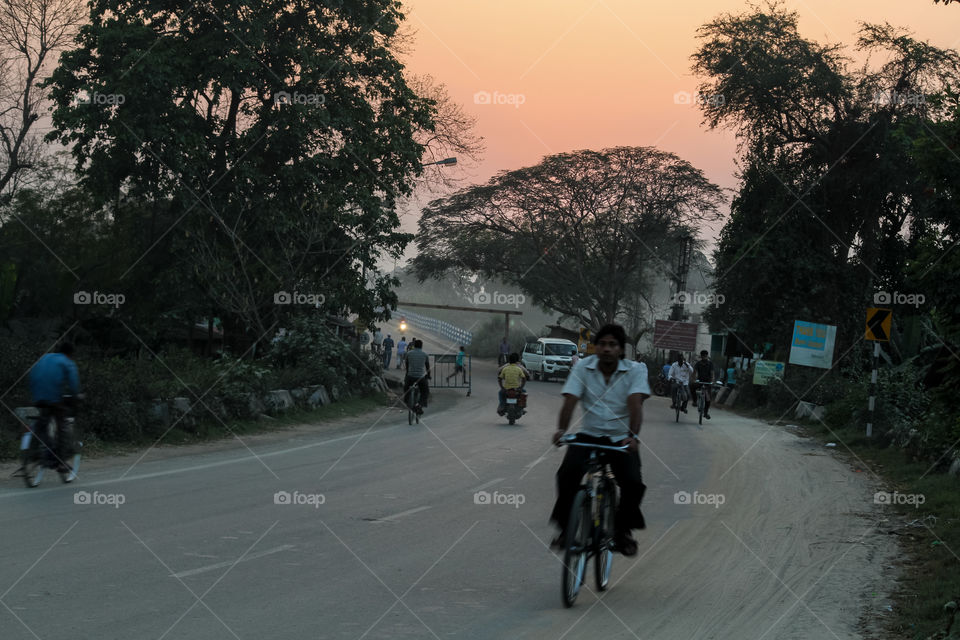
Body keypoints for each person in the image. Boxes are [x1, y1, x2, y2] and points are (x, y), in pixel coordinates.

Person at [550, 324, 649, 556]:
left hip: (620, 438)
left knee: (633, 483)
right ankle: (567, 530)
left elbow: (636, 404)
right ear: (596, 347)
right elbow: (570, 400)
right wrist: (561, 430)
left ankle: (621, 532)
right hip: (589, 436)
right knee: (566, 475)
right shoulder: (583, 368)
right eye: (602, 344)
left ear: (621, 350)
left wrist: (633, 436)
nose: (606, 349)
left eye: (612, 345)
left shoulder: (635, 370)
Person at [27, 341, 82, 473]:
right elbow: (74, 384)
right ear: (70, 354)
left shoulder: (45, 357)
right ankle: (62, 462)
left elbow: (32, 375)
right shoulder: (68, 362)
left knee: (42, 424)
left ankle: (37, 452)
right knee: (62, 426)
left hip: (38, 396)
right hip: (54, 399)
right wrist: (76, 396)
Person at [404, 339, 430, 412]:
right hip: (420, 377)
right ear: (421, 346)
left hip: (410, 376)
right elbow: (427, 367)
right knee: (425, 391)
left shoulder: (409, 353)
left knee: (406, 388)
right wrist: (428, 375)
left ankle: (406, 401)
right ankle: (420, 404)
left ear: (414, 345)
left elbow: (407, 364)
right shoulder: (425, 354)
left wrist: (407, 373)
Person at [693, 349, 715, 419]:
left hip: (707, 383)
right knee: (691, 386)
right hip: (699, 381)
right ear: (701, 356)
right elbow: (694, 372)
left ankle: (705, 413)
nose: (705, 357)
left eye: (706, 356)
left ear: (707, 356)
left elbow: (712, 373)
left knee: (708, 399)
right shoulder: (698, 364)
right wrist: (694, 379)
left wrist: (712, 381)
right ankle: (695, 401)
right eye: (703, 356)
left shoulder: (710, 364)